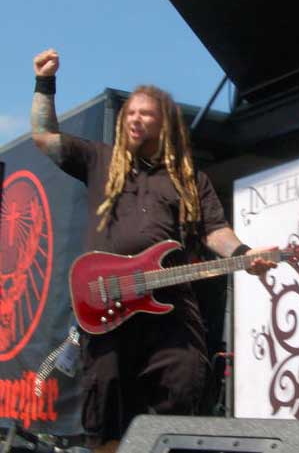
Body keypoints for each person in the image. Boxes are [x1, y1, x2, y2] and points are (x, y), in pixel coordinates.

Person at [30, 49, 276, 452]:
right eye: (129, 113)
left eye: (144, 113)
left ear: (164, 124)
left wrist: (245, 254)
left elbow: (216, 232)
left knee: (183, 384)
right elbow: (43, 135)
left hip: (170, 308)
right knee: (107, 401)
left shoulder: (188, 179)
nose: (134, 119)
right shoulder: (99, 158)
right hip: (107, 309)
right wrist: (45, 82)